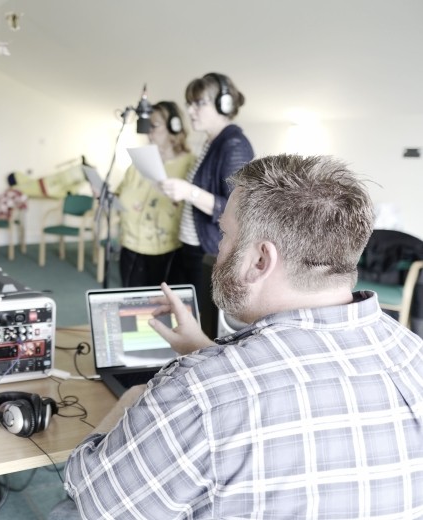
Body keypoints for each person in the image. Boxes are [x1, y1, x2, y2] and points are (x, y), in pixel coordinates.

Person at [55, 154, 423, 519]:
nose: (218, 249)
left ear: (261, 260)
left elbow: (95, 500)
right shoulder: (412, 353)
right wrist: (204, 348)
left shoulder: (198, 392)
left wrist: (135, 398)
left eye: (225, 235)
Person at [160, 72, 253, 294]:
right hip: (191, 246)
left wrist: (189, 192)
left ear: (224, 105)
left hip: (207, 251)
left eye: (199, 103)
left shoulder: (233, 145)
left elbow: (238, 210)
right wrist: (183, 197)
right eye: (189, 104)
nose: (190, 110)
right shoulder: (211, 143)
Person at [114, 101, 194, 286]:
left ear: (174, 127)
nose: (148, 131)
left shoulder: (190, 164)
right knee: (131, 306)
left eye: (154, 125)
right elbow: (120, 195)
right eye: (147, 125)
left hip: (167, 252)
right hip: (130, 248)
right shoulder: (136, 164)